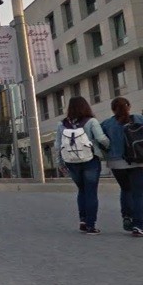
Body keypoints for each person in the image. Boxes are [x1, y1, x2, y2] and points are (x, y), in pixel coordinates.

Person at [100, 96, 143, 238]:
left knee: (126, 189)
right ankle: (138, 227)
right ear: (129, 107)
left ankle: (127, 216)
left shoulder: (107, 124)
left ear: (112, 109)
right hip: (141, 161)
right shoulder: (140, 119)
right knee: (139, 194)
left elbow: (100, 141)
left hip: (117, 163)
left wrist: (108, 153)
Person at [55, 96, 110, 234]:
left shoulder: (61, 124)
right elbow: (101, 138)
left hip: (71, 162)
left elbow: (58, 145)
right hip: (90, 160)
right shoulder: (91, 121)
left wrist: (59, 162)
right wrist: (109, 146)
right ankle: (91, 225)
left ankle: (83, 220)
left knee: (82, 190)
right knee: (91, 192)